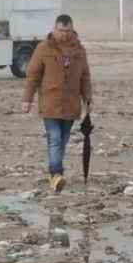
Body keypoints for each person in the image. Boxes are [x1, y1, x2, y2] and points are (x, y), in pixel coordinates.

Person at [21, 14, 92, 193]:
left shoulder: (79, 50)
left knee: (64, 139)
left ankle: (55, 172)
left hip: (71, 104)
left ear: (72, 30)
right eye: (61, 30)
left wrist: (88, 98)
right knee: (54, 138)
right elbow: (33, 75)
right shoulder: (43, 48)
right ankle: (56, 175)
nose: (64, 34)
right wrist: (27, 99)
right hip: (50, 103)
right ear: (55, 29)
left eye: (68, 31)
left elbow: (85, 76)